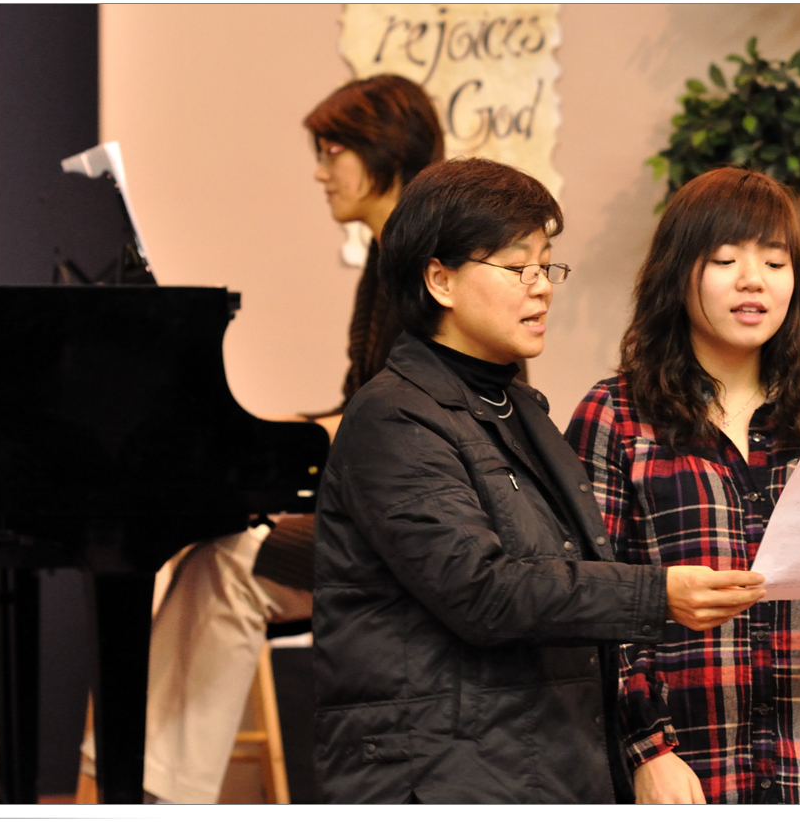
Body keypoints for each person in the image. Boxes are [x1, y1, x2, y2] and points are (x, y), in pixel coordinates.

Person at [312, 157, 767, 804]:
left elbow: (571, 579)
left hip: (535, 764)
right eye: (516, 267)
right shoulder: (394, 417)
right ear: (440, 279)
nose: (542, 288)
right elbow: (483, 591)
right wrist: (658, 594)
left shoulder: (522, 411)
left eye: (547, 266)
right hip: (438, 780)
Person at [79, 74, 445, 804]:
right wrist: (260, 433)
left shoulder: (424, 263)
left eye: (333, 151)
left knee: (230, 561)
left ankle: (146, 794)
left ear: (387, 149)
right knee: (208, 555)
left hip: (418, 531)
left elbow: (399, 420)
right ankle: (135, 784)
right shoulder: (387, 261)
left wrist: (259, 440)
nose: (320, 171)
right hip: (379, 513)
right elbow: (361, 403)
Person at [563, 166, 800, 805]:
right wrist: (648, 750)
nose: (753, 279)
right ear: (678, 273)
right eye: (726, 260)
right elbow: (587, 606)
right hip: (685, 771)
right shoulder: (616, 415)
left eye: (775, 262)